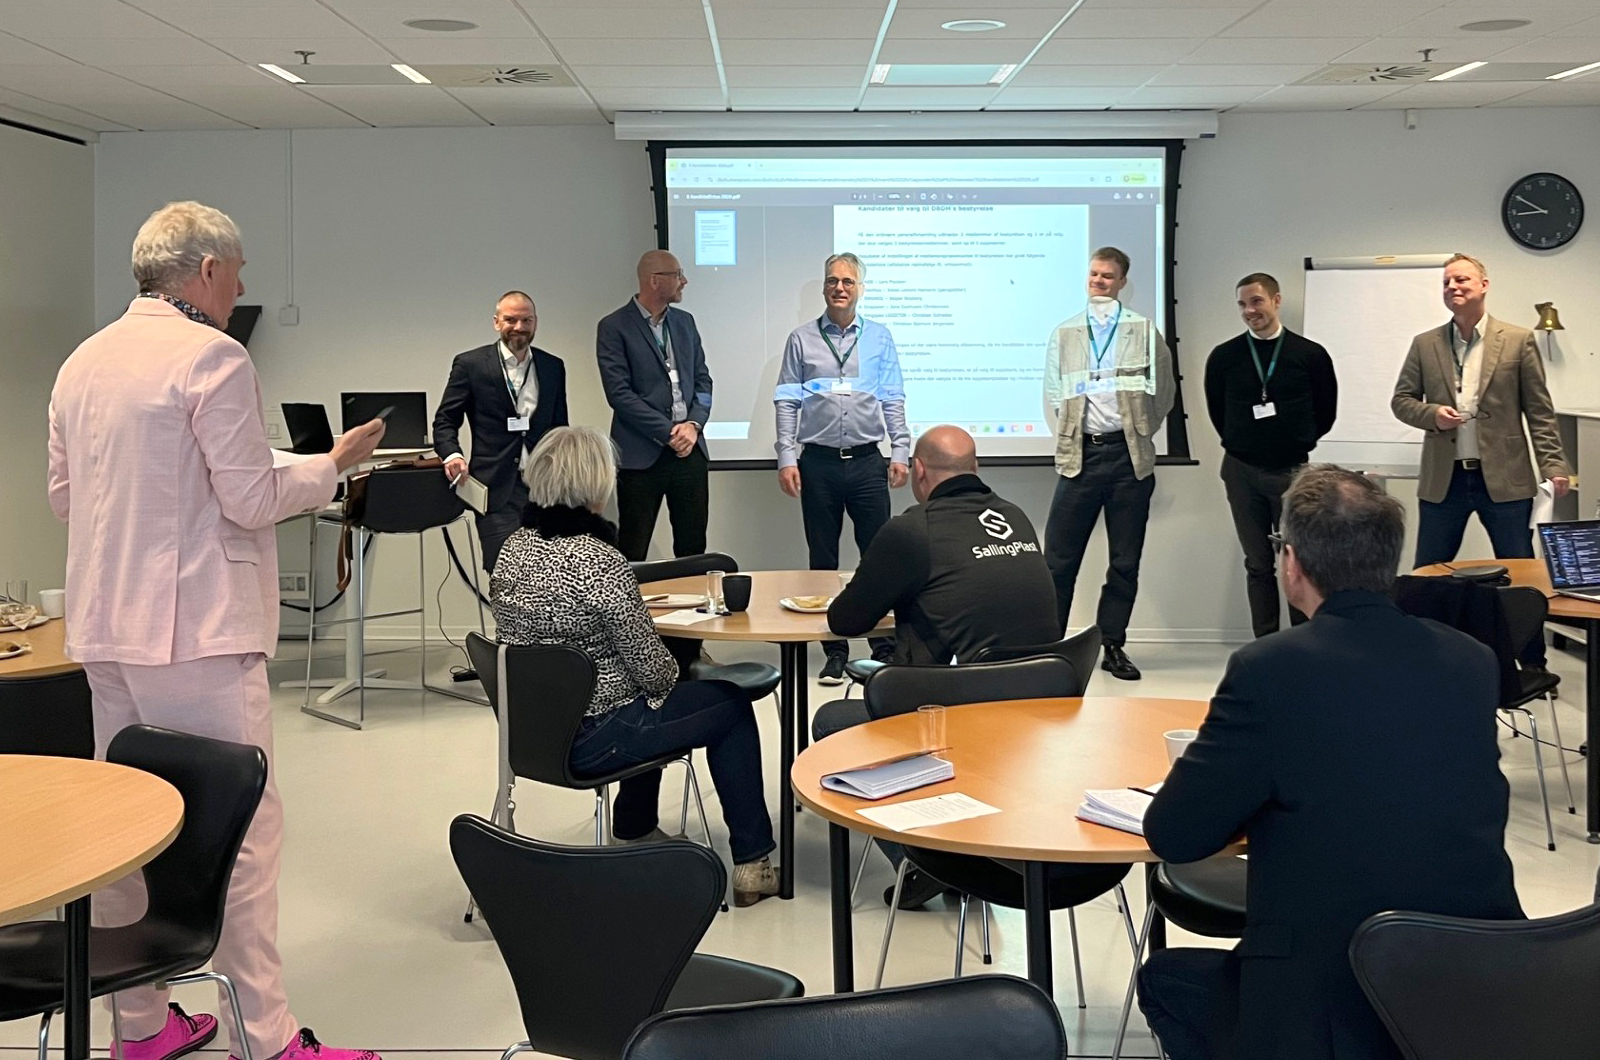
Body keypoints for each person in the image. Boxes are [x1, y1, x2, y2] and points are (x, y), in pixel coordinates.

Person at [47, 201, 386, 1060]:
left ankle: (141, 1026)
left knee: (129, 829)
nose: (239, 291)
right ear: (205, 271)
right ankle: (264, 1041)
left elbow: (66, 499)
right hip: (196, 631)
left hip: (105, 627)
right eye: (236, 274)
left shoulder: (84, 360)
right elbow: (250, 497)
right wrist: (331, 466)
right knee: (240, 835)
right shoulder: (213, 356)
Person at [1137, 465, 1523, 1060]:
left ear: (1292, 562)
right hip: (1476, 971)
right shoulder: (1471, 659)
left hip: (1333, 998)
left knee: (1165, 981)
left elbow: (1175, 834)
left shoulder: (1270, 669)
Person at [490, 426, 779, 906]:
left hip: (528, 735)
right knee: (726, 704)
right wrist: (678, 660)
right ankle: (753, 863)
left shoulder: (512, 551)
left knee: (644, 698)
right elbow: (655, 675)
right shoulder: (600, 561)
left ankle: (635, 825)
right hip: (594, 740)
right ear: (596, 484)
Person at [811, 425, 1059, 909]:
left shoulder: (912, 529)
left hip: (971, 716)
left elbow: (845, 620)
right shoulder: (1015, 516)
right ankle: (960, 839)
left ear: (919, 471)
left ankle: (926, 863)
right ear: (975, 468)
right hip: (1043, 711)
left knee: (833, 722)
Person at [775, 252, 909, 685]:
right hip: (818, 464)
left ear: (860, 289)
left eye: (848, 281)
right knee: (823, 561)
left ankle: (883, 649)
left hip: (868, 461)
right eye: (833, 280)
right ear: (823, 286)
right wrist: (786, 457)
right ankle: (834, 650)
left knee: (879, 558)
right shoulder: (801, 339)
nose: (839, 288)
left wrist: (900, 450)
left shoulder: (880, 338)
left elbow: (892, 397)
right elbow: (787, 401)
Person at [1042, 247, 1175, 681]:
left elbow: (1164, 392)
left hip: (1127, 459)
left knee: (1124, 562)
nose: (1098, 281)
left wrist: (1140, 429)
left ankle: (1112, 645)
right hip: (1080, 457)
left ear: (1122, 282)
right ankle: (1048, 649)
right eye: (1094, 274)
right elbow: (1053, 393)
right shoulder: (1066, 332)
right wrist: (1071, 432)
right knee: (1058, 562)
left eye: (1107, 276)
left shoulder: (1142, 330)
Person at [1392, 252, 1569, 570]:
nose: (1452, 286)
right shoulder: (1425, 344)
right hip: (1444, 480)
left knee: (1520, 569)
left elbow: (1539, 411)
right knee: (1428, 571)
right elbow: (1402, 401)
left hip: (1506, 478)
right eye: (1446, 282)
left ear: (1484, 285)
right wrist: (1433, 415)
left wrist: (1553, 465)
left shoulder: (1518, 340)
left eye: (1461, 279)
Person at [1204, 272, 1338, 638]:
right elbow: (1218, 413)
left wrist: (1296, 441)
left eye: (1257, 301)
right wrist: (1244, 442)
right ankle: (1265, 643)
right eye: (1242, 304)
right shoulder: (1224, 357)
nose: (1250, 311)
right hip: (1241, 471)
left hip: (1292, 473)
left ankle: (1302, 642)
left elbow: (1326, 413)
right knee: (1258, 563)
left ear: (1276, 301)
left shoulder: (1309, 355)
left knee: (1298, 562)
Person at [434, 290, 569, 574]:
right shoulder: (471, 365)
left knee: (548, 573)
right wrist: (452, 455)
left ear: (535, 322)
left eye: (526, 320)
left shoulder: (552, 366)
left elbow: (560, 427)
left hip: (544, 488)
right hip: (496, 487)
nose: (519, 327)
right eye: (511, 320)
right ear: (496, 322)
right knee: (503, 572)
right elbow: (445, 420)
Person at [596, 250, 714, 562]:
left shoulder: (685, 322)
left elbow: (703, 382)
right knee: (633, 548)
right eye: (677, 275)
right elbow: (619, 394)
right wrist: (669, 432)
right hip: (641, 455)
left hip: (690, 452)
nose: (684, 281)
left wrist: (694, 425)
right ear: (654, 281)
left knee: (693, 549)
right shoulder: (614, 326)